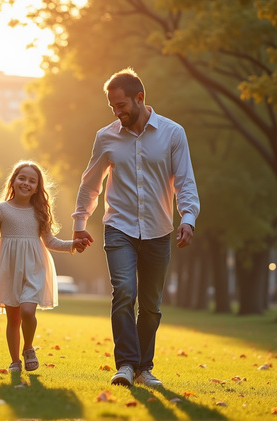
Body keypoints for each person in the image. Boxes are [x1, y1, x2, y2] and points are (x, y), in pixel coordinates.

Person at [72, 68, 200, 387]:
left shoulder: (173, 134)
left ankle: (144, 368)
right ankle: (126, 365)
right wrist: (79, 222)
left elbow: (185, 182)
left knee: (151, 305)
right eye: (112, 107)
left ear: (139, 98)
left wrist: (188, 218)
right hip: (119, 227)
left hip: (159, 231)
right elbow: (90, 185)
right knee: (125, 291)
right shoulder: (106, 137)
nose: (117, 112)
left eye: (121, 105)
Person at [0, 161, 87, 373]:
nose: (26, 183)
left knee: (28, 311)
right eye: (22, 178)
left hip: (34, 267)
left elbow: (50, 242)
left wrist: (71, 245)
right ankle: (15, 361)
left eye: (32, 181)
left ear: (38, 187)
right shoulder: (1, 209)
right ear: (13, 181)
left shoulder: (40, 212)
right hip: (8, 268)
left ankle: (28, 347)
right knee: (13, 318)